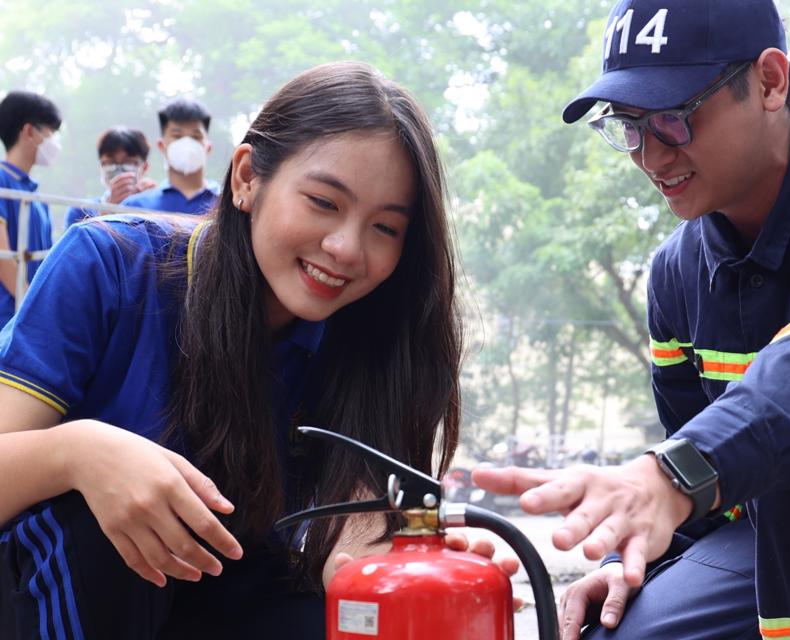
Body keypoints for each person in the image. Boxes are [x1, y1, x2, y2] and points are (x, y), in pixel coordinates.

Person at [473, 1, 790, 639]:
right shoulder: (677, 275)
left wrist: (679, 470)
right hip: (773, 539)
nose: (649, 155)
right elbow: (704, 487)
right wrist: (633, 553)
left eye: (673, 120)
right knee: (612, 626)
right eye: (628, 125)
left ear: (770, 81)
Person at [0, 61, 466, 639]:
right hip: (62, 592)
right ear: (247, 177)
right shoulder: (110, 267)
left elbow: (354, 529)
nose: (347, 248)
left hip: (218, 590)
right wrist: (78, 452)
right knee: (105, 531)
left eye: (386, 228)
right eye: (324, 202)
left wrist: (373, 560)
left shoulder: (368, 341)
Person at [0, 90, 61, 327]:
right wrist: (34, 309)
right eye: (50, 132)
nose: (54, 142)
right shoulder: (3, 181)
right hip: (9, 320)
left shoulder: (35, 194)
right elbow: (3, 258)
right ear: (29, 131)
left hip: (26, 319)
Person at [120, 97, 220, 214]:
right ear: (162, 145)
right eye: (177, 136)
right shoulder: (135, 207)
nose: (187, 144)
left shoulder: (229, 203)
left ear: (208, 147)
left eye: (195, 137)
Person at [64, 126, 158, 226]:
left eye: (128, 162)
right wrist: (109, 210)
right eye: (110, 162)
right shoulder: (81, 210)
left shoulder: (156, 206)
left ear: (145, 167)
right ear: (100, 166)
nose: (118, 169)